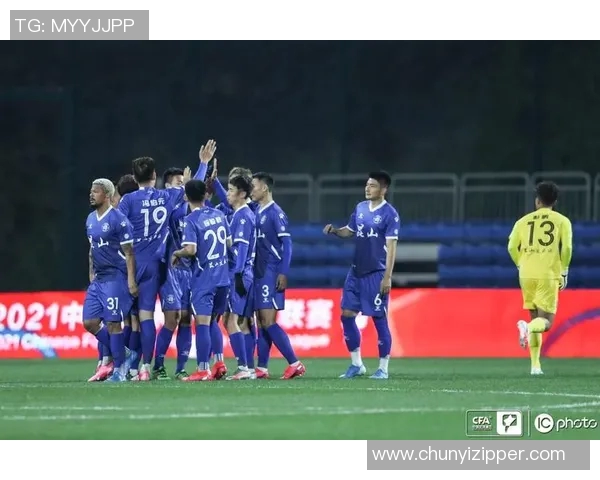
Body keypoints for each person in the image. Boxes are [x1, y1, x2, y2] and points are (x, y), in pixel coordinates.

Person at [323, 171, 400, 380]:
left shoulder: (390, 214)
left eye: (372, 185)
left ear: (383, 189)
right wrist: (335, 231)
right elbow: (350, 231)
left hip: (376, 273)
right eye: (367, 185)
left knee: (379, 318)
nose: (367, 188)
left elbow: (392, 248)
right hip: (355, 272)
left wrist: (387, 277)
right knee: (346, 315)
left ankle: (383, 368)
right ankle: (357, 364)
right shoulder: (360, 208)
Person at [509, 181, 573, 375]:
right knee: (546, 322)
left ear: (538, 201)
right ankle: (527, 328)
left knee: (535, 317)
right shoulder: (562, 221)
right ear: (554, 201)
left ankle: (535, 366)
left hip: (526, 273)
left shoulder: (522, 221)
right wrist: (564, 271)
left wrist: (520, 264)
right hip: (548, 273)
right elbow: (567, 247)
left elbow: (511, 247)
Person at [171, 179, 231, 381]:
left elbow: (191, 249)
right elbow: (229, 242)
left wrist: (177, 253)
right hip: (223, 278)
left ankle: (203, 369)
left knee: (202, 323)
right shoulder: (219, 214)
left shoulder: (191, 219)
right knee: (214, 321)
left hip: (204, 279)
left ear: (186, 196)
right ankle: (219, 362)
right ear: (206, 194)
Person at [82, 178, 139, 382]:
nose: (91, 195)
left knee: (114, 323)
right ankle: (125, 353)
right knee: (89, 322)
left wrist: (131, 281)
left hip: (116, 276)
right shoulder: (90, 219)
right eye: (91, 191)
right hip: (99, 278)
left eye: (96, 191)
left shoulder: (119, 220)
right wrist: (91, 273)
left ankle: (120, 371)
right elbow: (92, 248)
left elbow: (129, 252)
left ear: (107, 195)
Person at [251, 172, 305, 379]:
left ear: (264, 188)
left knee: (268, 320)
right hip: (259, 271)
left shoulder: (275, 213)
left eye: (254, 186)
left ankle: (295, 363)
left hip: (271, 272)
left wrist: (283, 272)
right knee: (261, 322)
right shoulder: (256, 210)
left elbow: (287, 245)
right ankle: (262, 368)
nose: (251, 190)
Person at [154, 167, 192, 380]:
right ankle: (158, 366)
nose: (183, 186)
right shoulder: (169, 211)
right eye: (179, 182)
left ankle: (181, 369)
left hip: (191, 271)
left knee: (186, 319)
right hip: (171, 270)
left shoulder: (194, 210)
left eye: (184, 183)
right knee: (172, 318)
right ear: (168, 187)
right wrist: (202, 165)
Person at [222, 174, 256, 380]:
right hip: (239, 272)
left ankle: (244, 367)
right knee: (229, 319)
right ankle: (246, 366)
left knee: (232, 320)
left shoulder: (242, 216)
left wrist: (237, 275)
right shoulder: (240, 214)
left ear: (242, 194)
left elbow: (242, 248)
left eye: (231, 190)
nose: (228, 193)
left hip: (239, 273)